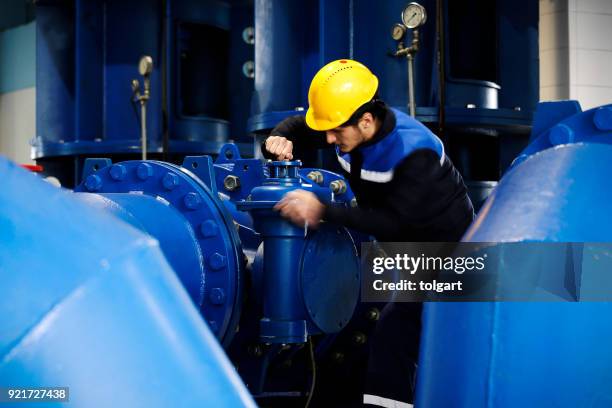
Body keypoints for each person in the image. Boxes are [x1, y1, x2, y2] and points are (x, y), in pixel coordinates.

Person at [262, 59, 474, 407]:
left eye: (336, 132)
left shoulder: (415, 153)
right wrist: (278, 140)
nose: (328, 140)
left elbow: (395, 222)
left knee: (395, 337)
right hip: (401, 250)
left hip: (447, 254)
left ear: (366, 120)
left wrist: (321, 210)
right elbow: (298, 126)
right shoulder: (347, 124)